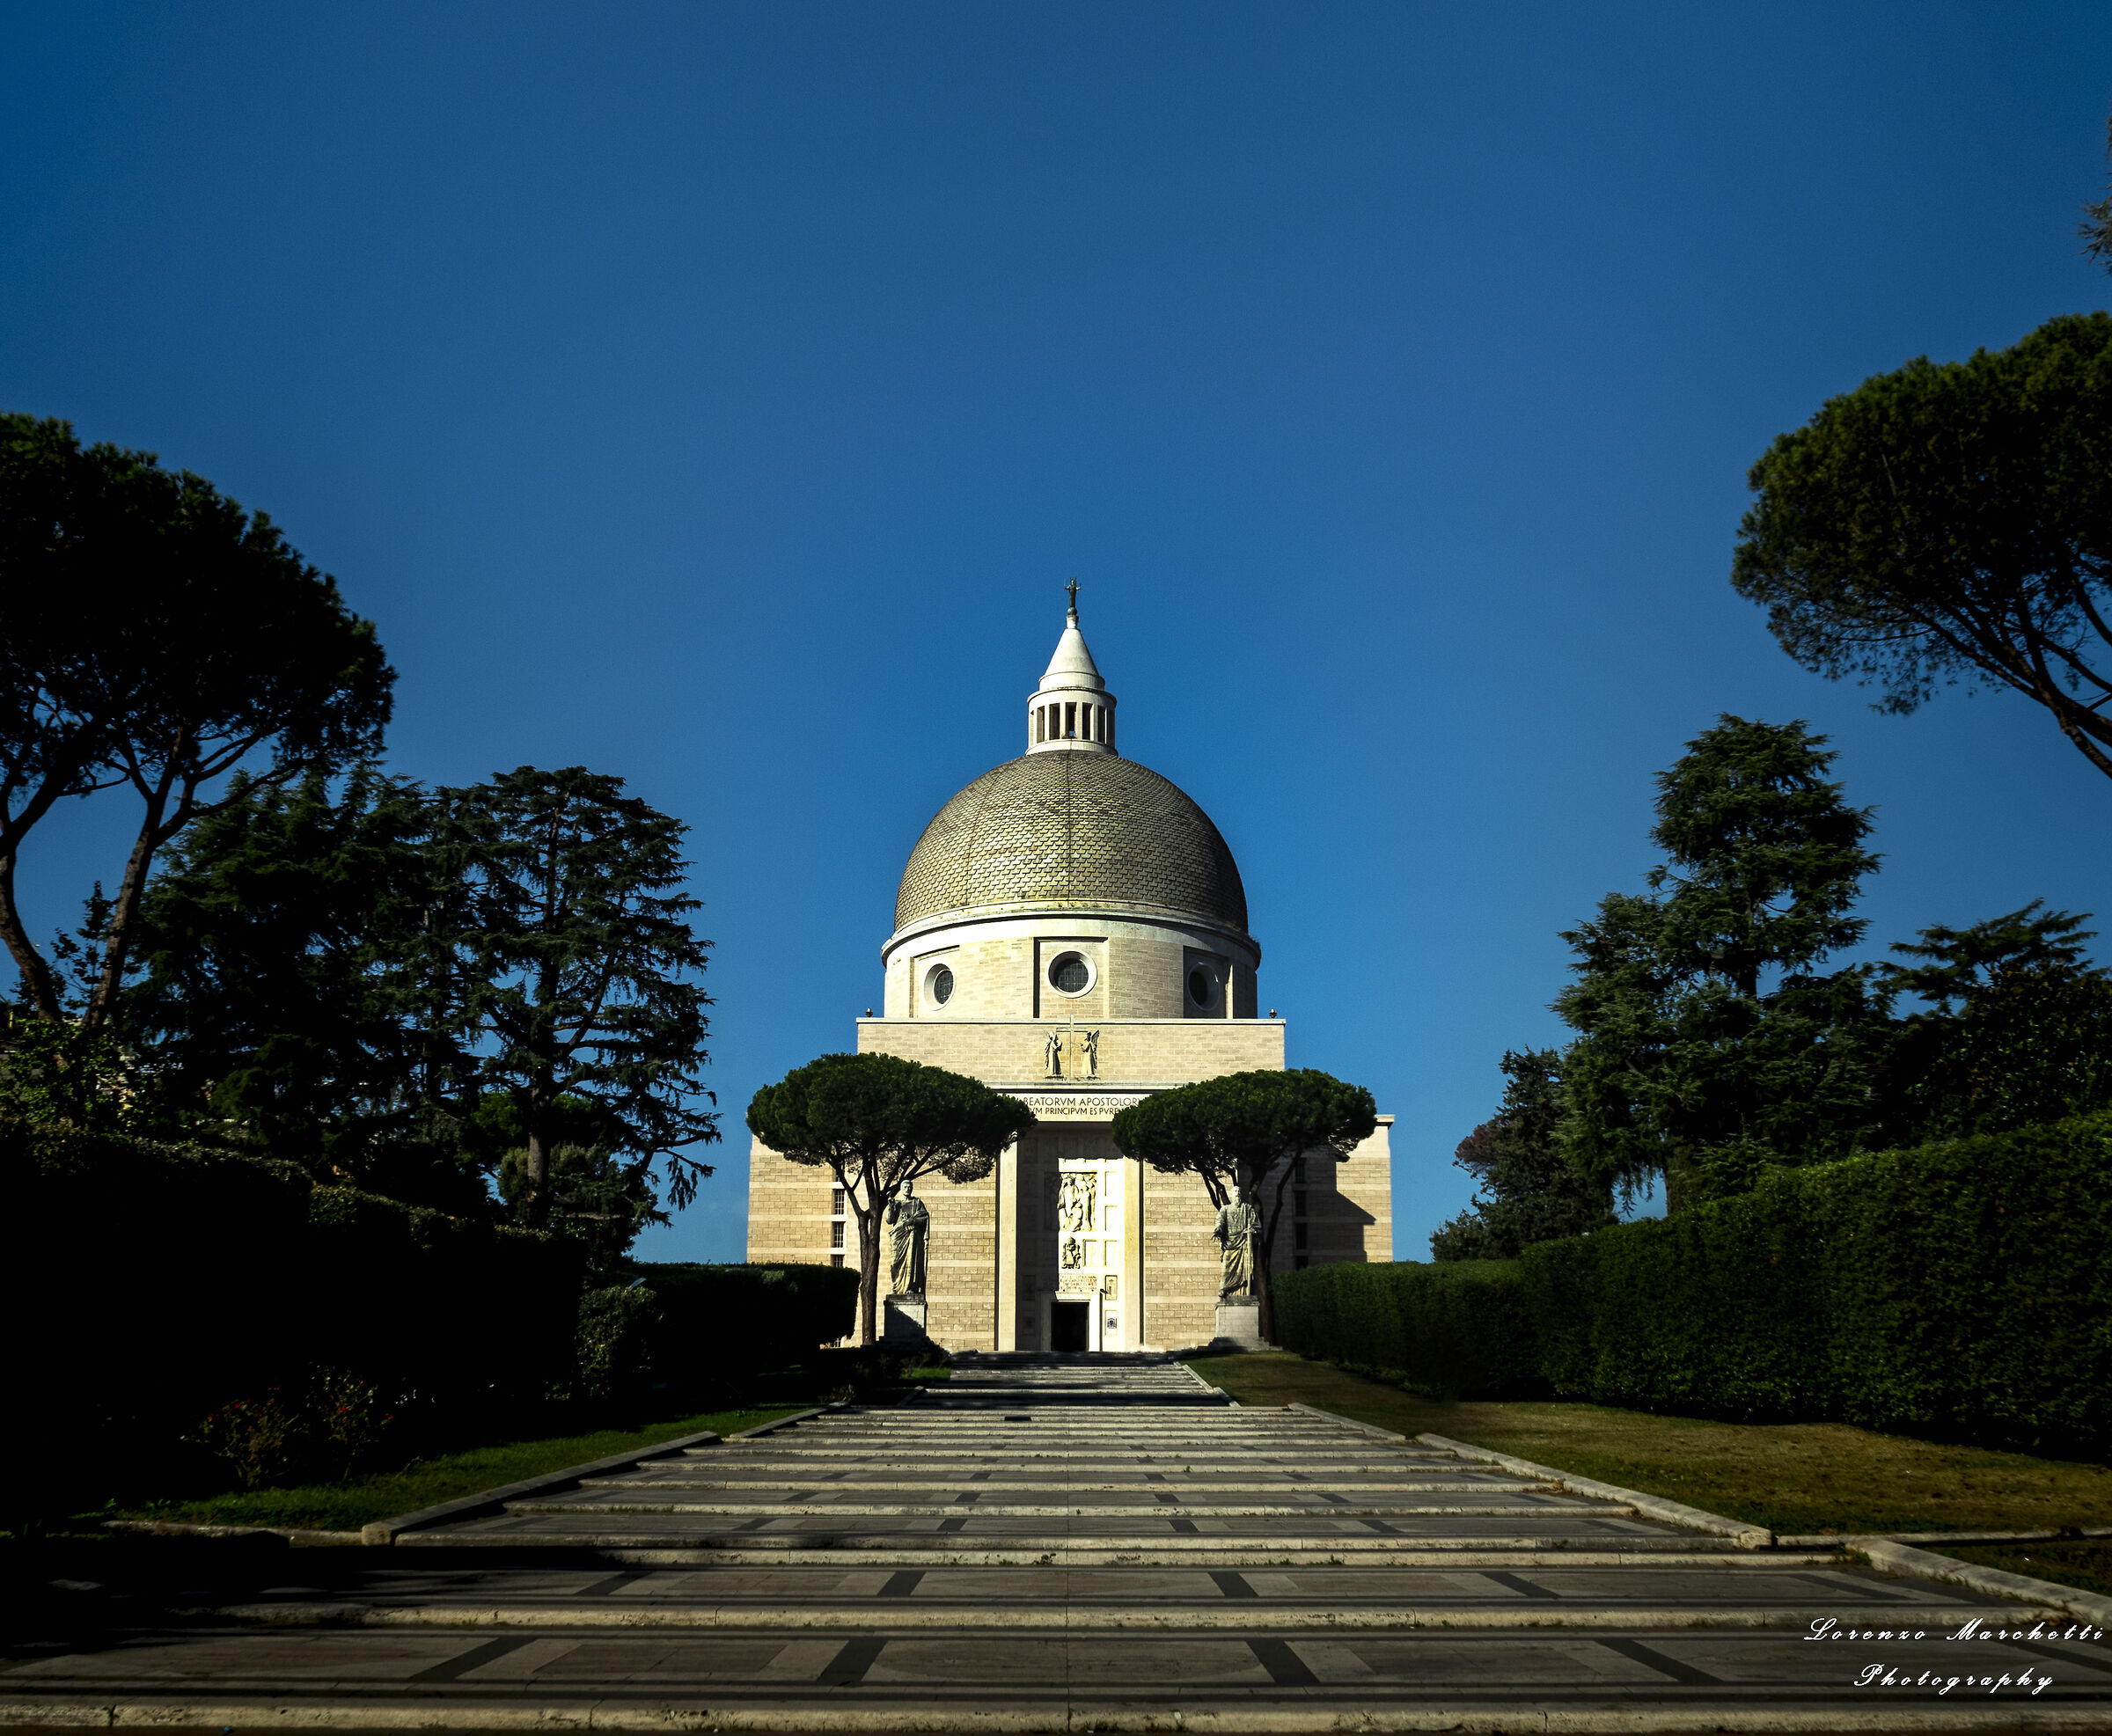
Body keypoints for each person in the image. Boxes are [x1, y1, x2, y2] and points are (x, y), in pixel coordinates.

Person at [886, 1181, 931, 1298]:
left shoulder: (917, 1203)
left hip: (913, 1236)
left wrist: (913, 1221)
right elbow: (889, 1220)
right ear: (901, 1188)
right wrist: (891, 1207)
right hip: (898, 1236)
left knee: (912, 1261)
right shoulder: (896, 1203)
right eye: (905, 1187)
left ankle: (911, 1287)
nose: (907, 1188)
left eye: (909, 1187)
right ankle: (896, 1286)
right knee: (895, 1262)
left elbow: (924, 1217)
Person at [1212, 1195, 1259, 1299]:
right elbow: (1220, 1221)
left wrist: (1252, 1230)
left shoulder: (1247, 1209)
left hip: (1243, 1244)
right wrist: (1218, 1229)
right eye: (1235, 1192)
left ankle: (1244, 1291)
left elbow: (1255, 1223)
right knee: (1226, 1269)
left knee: (1244, 1269)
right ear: (1232, 1196)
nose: (1237, 1194)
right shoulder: (1225, 1209)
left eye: (1239, 1191)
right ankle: (1223, 1289)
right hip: (1230, 1244)